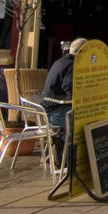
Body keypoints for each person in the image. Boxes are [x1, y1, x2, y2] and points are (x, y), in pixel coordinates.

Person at [42, 36, 87, 167]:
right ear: (82, 52)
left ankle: (63, 153)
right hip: (55, 113)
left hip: (47, 110)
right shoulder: (73, 65)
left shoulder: (60, 61)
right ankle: (71, 158)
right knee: (87, 120)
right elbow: (70, 87)